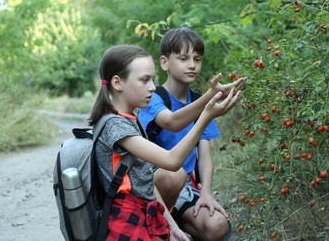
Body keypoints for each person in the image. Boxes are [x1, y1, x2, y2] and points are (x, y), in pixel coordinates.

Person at [88, 44, 242, 240]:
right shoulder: (115, 126)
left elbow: (146, 184)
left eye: (152, 80)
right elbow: (171, 161)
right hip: (126, 222)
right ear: (118, 83)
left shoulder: (129, 119)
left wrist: (171, 227)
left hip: (142, 211)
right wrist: (206, 116)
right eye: (144, 80)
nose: (152, 87)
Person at [138, 28, 246, 240]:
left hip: (185, 189)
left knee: (217, 225)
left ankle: (176, 225)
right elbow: (171, 122)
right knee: (172, 174)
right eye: (183, 58)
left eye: (197, 59)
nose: (192, 65)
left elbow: (205, 157)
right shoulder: (153, 97)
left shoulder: (199, 101)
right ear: (164, 62)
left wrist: (206, 192)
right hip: (153, 185)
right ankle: (159, 226)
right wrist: (209, 97)